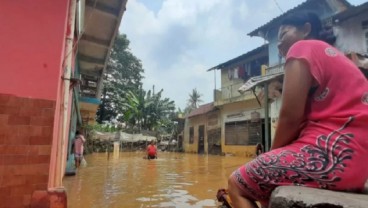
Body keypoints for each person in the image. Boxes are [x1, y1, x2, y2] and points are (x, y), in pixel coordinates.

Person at [228, 12, 368, 208]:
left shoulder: (302, 48)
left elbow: (290, 118)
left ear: (306, 29)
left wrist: (271, 156)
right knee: (262, 188)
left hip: (332, 158)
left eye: (283, 34)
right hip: (358, 165)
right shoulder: (334, 55)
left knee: (236, 183)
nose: (278, 44)